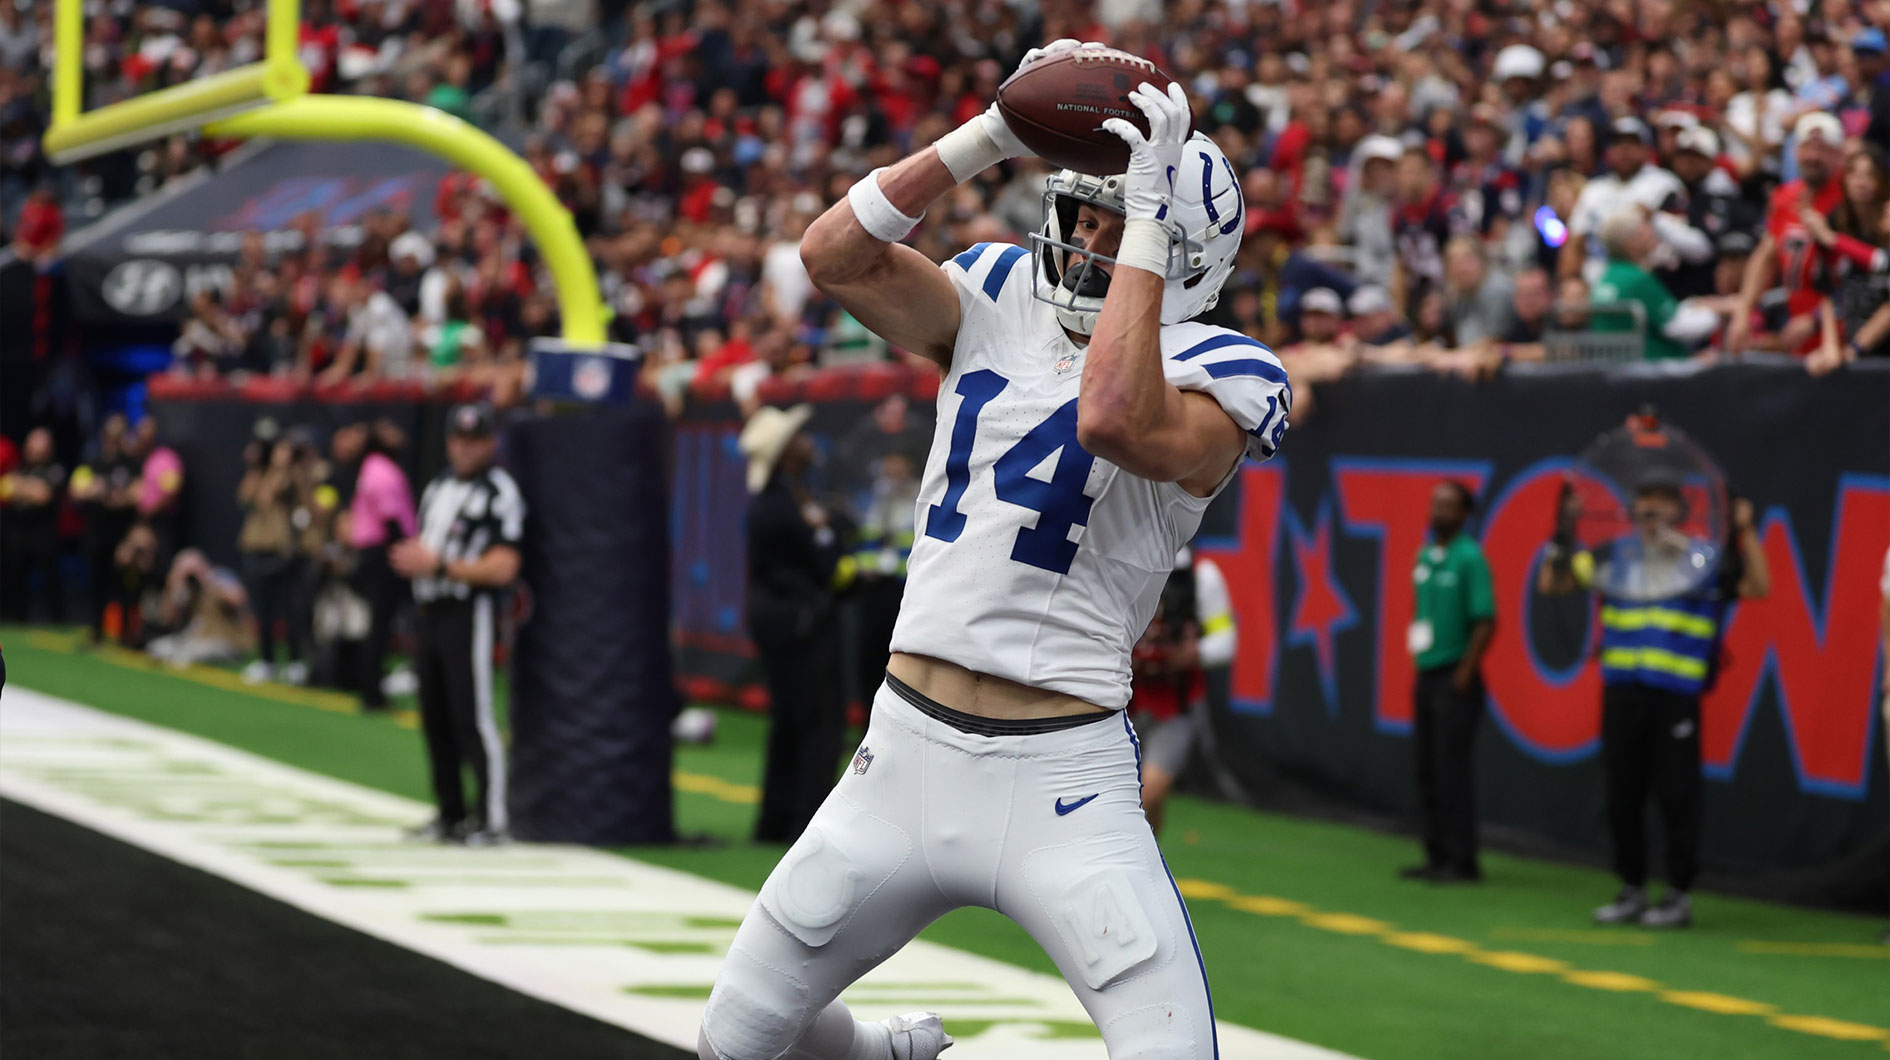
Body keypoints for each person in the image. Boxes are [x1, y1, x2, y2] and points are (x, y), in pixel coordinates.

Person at [697, 40, 1287, 1060]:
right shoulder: (997, 292)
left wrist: (1145, 216)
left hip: (1064, 775)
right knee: (740, 1037)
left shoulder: (1226, 368)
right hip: (903, 754)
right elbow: (832, 256)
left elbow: (1112, 417)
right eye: (1084, 210)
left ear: (1184, 251)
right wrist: (992, 134)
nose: (1087, 238)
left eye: (1120, 220)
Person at [1541, 478, 1769, 928]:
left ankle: (1678, 894)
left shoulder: (1702, 559)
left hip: (1675, 697)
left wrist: (1747, 532)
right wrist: (1564, 529)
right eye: (1645, 503)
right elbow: (1552, 583)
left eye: (1662, 505)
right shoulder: (1613, 555)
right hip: (1623, 691)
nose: (1651, 511)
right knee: (1622, 795)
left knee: (1678, 797)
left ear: (1679, 512)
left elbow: (1758, 586)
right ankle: (1631, 889)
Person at [389, 404, 524, 846]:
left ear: (490, 443)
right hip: (429, 612)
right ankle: (450, 812)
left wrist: (441, 567)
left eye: (475, 440)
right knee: (435, 716)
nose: (465, 448)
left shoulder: (498, 491)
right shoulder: (439, 485)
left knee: (474, 717)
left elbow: (505, 565)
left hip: (470, 611)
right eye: (459, 439)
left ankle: (492, 817)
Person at [738, 403, 847, 846]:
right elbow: (824, 564)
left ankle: (776, 822)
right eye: (798, 438)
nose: (808, 443)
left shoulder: (780, 499)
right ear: (785, 453)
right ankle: (806, 825)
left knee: (789, 720)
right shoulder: (787, 505)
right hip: (800, 623)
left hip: (779, 619)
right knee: (815, 722)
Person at [1401, 482, 1495, 884]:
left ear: (1463, 514)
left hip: (1455, 677)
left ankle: (1463, 861)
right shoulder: (1426, 555)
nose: (1437, 511)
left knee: (1452, 769)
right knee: (1427, 768)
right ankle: (1436, 854)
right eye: (1435, 503)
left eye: (1447, 506)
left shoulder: (1469, 558)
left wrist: (1465, 671)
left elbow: (1486, 620)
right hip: (1427, 672)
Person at [1128, 548, 1237, 836]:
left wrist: (1194, 652)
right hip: (1123, 696)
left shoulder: (1202, 576)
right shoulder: (1123, 558)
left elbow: (1225, 641)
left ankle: (1146, 862)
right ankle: (1145, 858)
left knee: (1148, 794)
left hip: (1175, 702)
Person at [1726, 112, 1846, 355]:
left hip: (1844, 336)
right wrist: (1744, 310)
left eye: (1823, 149)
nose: (1813, 156)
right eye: (1806, 148)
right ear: (1794, 152)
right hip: (1798, 332)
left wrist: (1816, 319)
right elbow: (1766, 256)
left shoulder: (1849, 200)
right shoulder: (1785, 197)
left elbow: (1860, 277)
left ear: (1840, 155)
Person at [336, 420, 415, 711]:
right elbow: (390, 516)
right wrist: (403, 550)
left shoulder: (371, 467)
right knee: (379, 625)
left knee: (378, 624)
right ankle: (372, 693)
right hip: (382, 551)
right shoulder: (380, 467)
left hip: (375, 550)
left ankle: (371, 688)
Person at [1591, 207, 1728, 359]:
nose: (1652, 232)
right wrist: (1719, 313)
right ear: (1630, 243)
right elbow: (1676, 326)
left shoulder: (1608, 277)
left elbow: (1659, 314)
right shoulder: (1636, 279)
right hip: (1653, 368)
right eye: (1644, 229)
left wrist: (1695, 304)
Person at [237, 420, 302, 684]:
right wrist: (255, 466)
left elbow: (273, 495)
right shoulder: (258, 473)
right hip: (256, 547)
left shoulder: (288, 473)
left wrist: (279, 465)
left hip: (279, 549)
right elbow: (245, 497)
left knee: (287, 608)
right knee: (261, 609)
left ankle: (295, 660)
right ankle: (266, 660)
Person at [71, 415, 141, 644]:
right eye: (110, 434)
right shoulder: (93, 462)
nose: (113, 439)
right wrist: (98, 491)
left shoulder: (131, 463)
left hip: (122, 535)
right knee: (96, 583)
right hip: (96, 533)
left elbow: (138, 493)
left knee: (124, 584)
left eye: (118, 434)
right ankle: (96, 630)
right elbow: (77, 489)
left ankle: (126, 632)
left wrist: (118, 497)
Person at [0, 428, 67, 622]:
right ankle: (15, 617)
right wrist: (28, 488)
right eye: (32, 445)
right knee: (14, 578)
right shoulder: (18, 467)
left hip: (44, 535)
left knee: (51, 579)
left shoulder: (55, 470)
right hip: (18, 533)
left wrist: (19, 488)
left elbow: (43, 495)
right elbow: (4, 488)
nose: (34, 450)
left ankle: (58, 619)